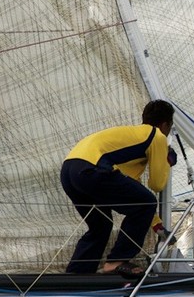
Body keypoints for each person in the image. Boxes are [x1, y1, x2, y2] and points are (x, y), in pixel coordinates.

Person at [60, 100, 176, 276]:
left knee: (101, 226)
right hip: (92, 168)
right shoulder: (157, 135)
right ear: (165, 124)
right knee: (146, 202)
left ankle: (77, 275)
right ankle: (117, 261)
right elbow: (157, 184)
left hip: (70, 170)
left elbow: (130, 186)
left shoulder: (132, 137)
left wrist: (157, 225)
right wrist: (168, 161)